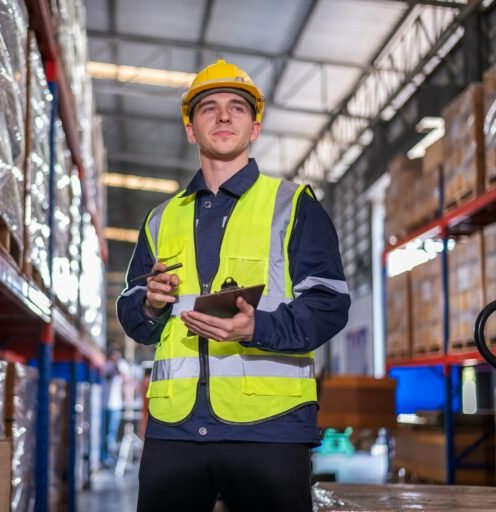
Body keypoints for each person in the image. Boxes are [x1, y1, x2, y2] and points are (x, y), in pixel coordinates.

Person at [116, 59, 350, 512]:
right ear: (190, 129)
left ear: (254, 127)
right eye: (208, 108)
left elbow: (329, 303)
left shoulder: (293, 205)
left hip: (269, 428)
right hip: (174, 430)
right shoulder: (160, 219)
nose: (223, 116)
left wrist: (255, 328)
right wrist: (150, 304)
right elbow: (131, 310)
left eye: (236, 108)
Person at [102, 347, 129, 465]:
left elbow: (126, 381)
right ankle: (104, 456)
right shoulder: (105, 364)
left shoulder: (121, 365)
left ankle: (110, 457)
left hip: (115, 404)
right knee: (103, 432)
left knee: (111, 432)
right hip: (103, 405)